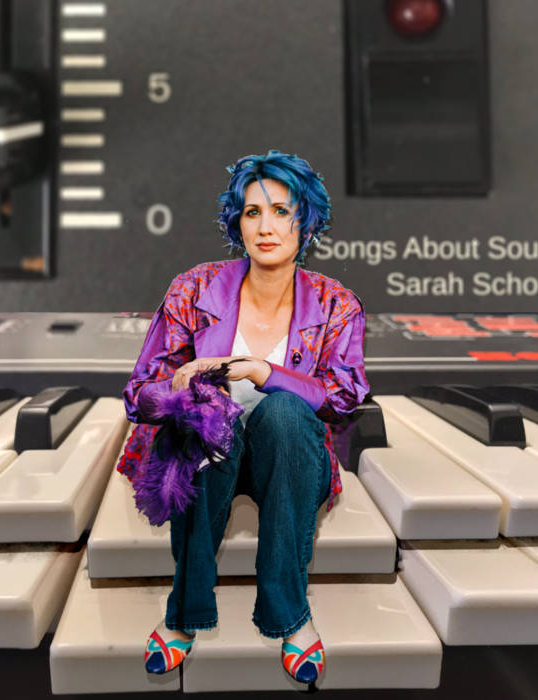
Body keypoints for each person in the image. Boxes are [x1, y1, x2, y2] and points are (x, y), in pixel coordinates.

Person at [118, 150, 370, 685]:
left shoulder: (336, 304)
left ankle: (290, 614)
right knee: (212, 413)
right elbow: (139, 394)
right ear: (238, 222)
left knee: (284, 411)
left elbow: (344, 398)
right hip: (209, 455)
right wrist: (180, 388)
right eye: (252, 212)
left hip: (287, 458)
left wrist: (264, 372)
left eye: (281, 211)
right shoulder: (193, 289)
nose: (266, 227)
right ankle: (184, 613)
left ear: (307, 222)